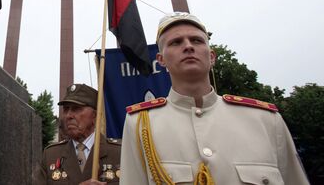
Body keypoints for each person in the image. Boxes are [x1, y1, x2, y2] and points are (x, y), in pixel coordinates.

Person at [119, 12, 309, 184]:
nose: (188, 46)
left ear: (211, 56)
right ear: (161, 60)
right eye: (176, 42)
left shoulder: (266, 120)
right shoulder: (139, 124)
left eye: (196, 41)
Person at [34, 84, 122, 184]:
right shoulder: (51, 155)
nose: (68, 116)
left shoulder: (119, 152)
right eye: (66, 109)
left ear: (95, 115)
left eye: (76, 109)